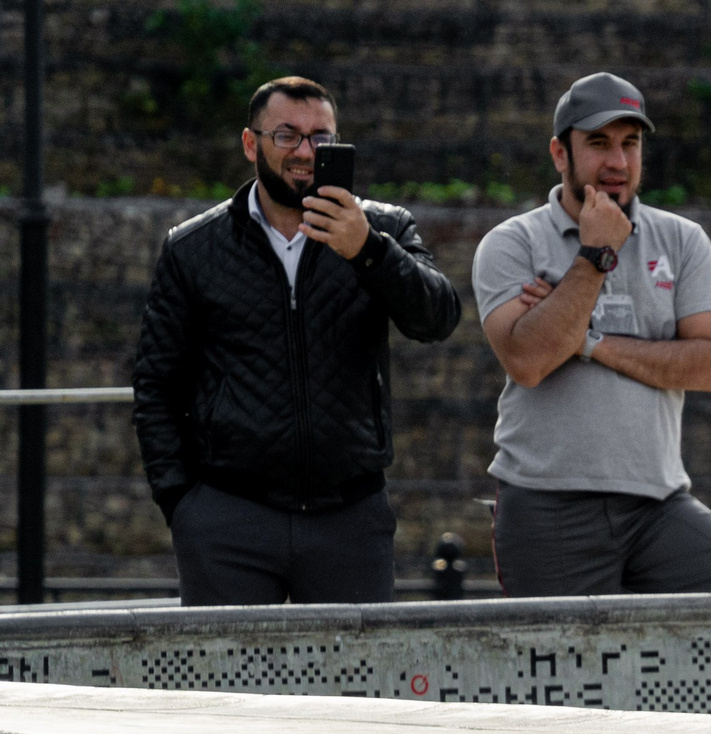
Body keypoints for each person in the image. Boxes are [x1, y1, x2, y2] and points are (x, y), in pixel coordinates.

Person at [131, 76, 462, 604]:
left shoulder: (384, 229)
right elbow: (155, 382)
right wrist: (182, 504)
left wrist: (368, 252)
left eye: (321, 138)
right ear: (250, 144)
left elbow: (439, 318)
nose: (306, 152)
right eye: (287, 136)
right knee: (224, 687)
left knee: (351, 687)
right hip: (229, 518)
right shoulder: (193, 248)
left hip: (349, 517)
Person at [472, 73, 711, 596]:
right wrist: (595, 255)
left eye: (630, 143)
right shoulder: (512, 243)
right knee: (567, 677)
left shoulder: (683, 240)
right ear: (560, 153)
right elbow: (528, 360)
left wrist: (588, 341)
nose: (617, 162)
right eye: (598, 144)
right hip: (547, 507)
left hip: (659, 506)